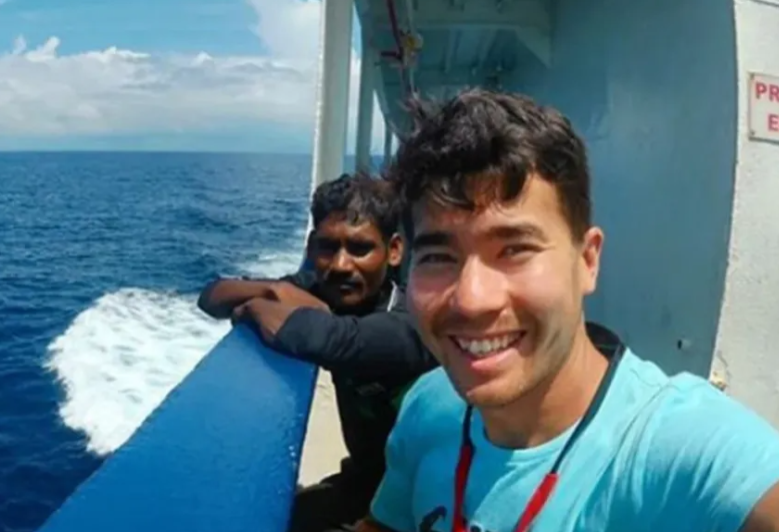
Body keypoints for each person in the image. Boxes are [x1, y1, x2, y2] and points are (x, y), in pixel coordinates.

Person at [357, 89, 779, 532]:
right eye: (438, 257)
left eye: (515, 250)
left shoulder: (677, 449)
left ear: (587, 261)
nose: (472, 299)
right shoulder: (431, 404)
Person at [197, 173, 437, 532]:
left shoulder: (410, 324)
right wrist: (273, 291)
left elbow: (332, 338)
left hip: (423, 501)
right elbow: (212, 297)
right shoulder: (326, 290)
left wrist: (259, 305)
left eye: (360, 248)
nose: (341, 265)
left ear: (394, 251)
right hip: (365, 481)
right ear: (311, 248)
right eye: (328, 247)